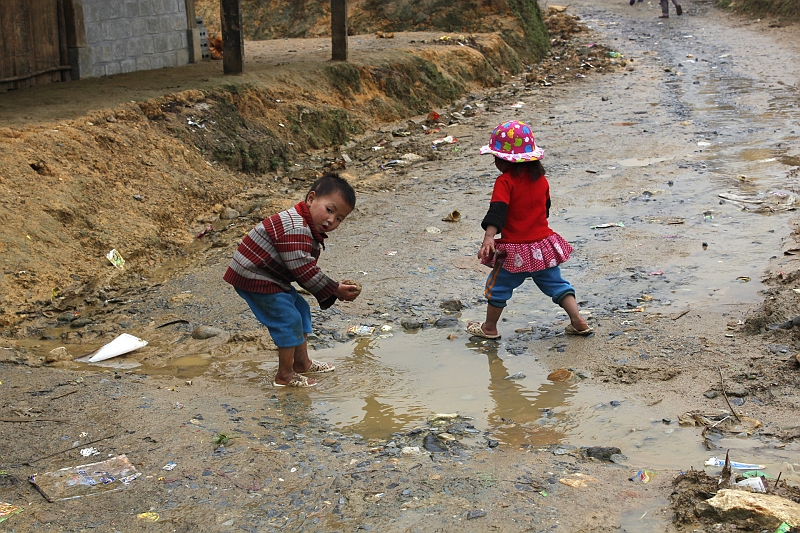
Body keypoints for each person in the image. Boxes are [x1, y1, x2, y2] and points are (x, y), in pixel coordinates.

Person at [224, 173, 360, 387]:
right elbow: (303, 269)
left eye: (339, 218)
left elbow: (303, 266)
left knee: (301, 308)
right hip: (254, 274)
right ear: (311, 199)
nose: (332, 220)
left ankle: (302, 363)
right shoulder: (296, 227)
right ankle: (284, 375)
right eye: (330, 210)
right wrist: (335, 289)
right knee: (288, 319)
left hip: (269, 274)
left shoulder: (304, 224)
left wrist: (332, 288)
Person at [466, 120, 593, 340]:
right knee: (557, 284)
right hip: (543, 246)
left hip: (515, 250)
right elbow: (545, 210)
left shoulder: (505, 182)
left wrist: (489, 237)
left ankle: (489, 328)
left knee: (497, 287)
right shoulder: (541, 180)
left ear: (504, 161)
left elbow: (498, 211)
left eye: (496, 158)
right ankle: (578, 320)